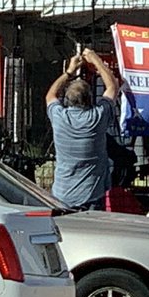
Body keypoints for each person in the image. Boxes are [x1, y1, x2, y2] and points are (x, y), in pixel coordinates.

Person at [45, 49, 118, 210]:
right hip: (91, 196)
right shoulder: (97, 117)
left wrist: (69, 72)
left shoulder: (59, 117)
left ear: (67, 99)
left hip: (61, 195)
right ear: (90, 99)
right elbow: (112, 87)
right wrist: (95, 59)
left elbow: (50, 95)